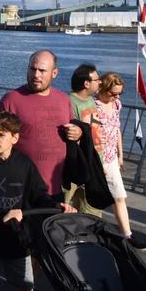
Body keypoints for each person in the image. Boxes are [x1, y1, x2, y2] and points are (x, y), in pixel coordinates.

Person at [0, 112, 76, 291]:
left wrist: (57, 207)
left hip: (17, 239)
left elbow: (39, 194)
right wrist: (3, 215)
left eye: (1, 135)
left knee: (25, 286)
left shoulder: (24, 164)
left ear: (15, 138)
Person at [0, 50, 81, 199]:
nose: (36, 75)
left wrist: (77, 133)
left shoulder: (63, 99)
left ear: (54, 73)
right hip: (20, 189)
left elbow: (72, 133)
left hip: (55, 188)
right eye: (32, 69)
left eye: (42, 71)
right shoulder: (11, 100)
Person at [95, 72, 146, 250]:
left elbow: (117, 129)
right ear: (103, 88)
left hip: (111, 157)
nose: (117, 97)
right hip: (97, 158)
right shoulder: (93, 106)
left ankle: (127, 235)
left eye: (119, 93)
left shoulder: (116, 104)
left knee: (119, 196)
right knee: (92, 199)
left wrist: (120, 155)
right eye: (113, 93)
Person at [65, 63, 103, 216]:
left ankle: (87, 239)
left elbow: (96, 131)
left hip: (94, 163)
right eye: (97, 80)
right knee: (64, 206)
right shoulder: (70, 102)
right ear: (86, 83)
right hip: (77, 164)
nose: (100, 82)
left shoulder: (91, 101)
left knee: (93, 212)